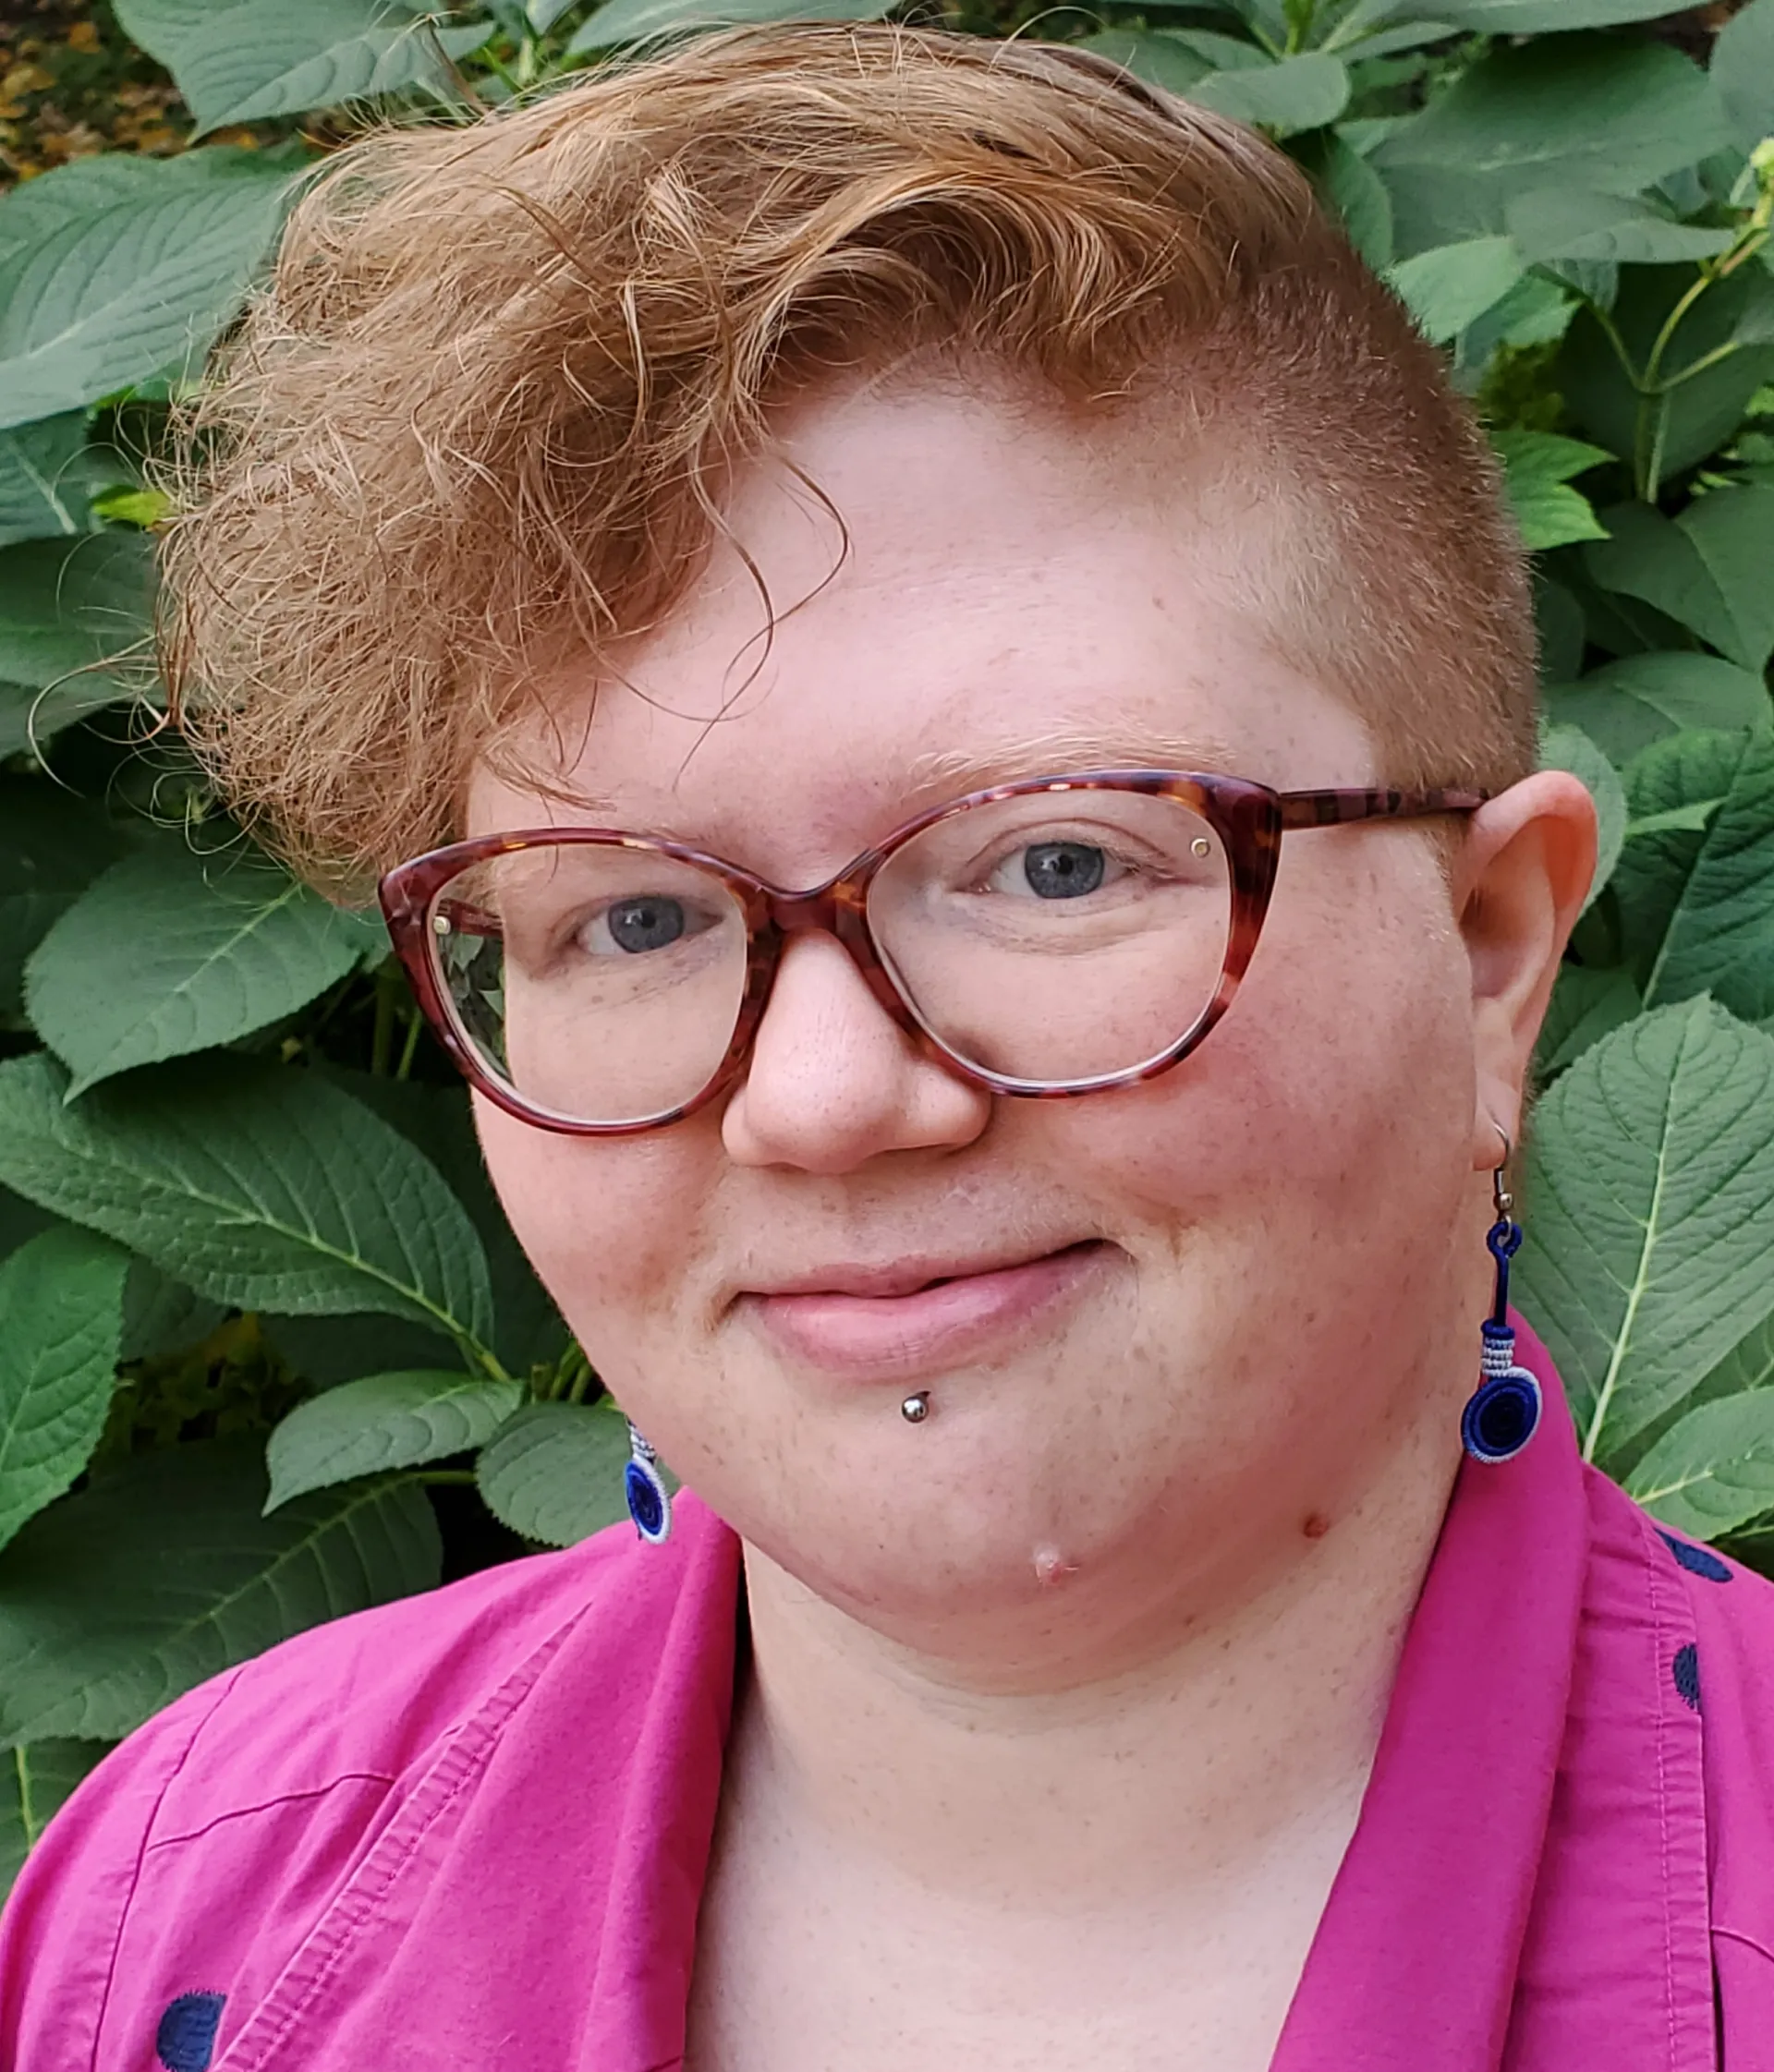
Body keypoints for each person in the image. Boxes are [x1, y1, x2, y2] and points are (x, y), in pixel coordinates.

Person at [4, 23, 1771, 2072]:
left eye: (1054, 860)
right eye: (633, 914)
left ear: (1487, 958)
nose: (826, 1099)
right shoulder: (178, 1914)